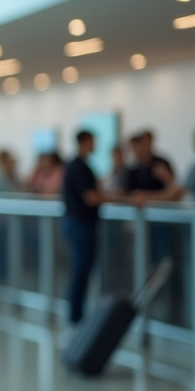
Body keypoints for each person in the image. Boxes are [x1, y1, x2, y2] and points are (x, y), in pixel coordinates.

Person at [61, 131, 118, 325]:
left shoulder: (74, 166)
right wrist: (118, 198)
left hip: (76, 223)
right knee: (81, 271)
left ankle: (76, 314)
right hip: (81, 225)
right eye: (93, 141)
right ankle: (76, 316)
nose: (96, 145)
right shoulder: (80, 167)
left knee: (81, 270)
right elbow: (91, 197)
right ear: (85, 142)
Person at [123, 130, 177, 201]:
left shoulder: (160, 164)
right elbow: (127, 194)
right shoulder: (132, 170)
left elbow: (174, 191)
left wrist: (147, 197)